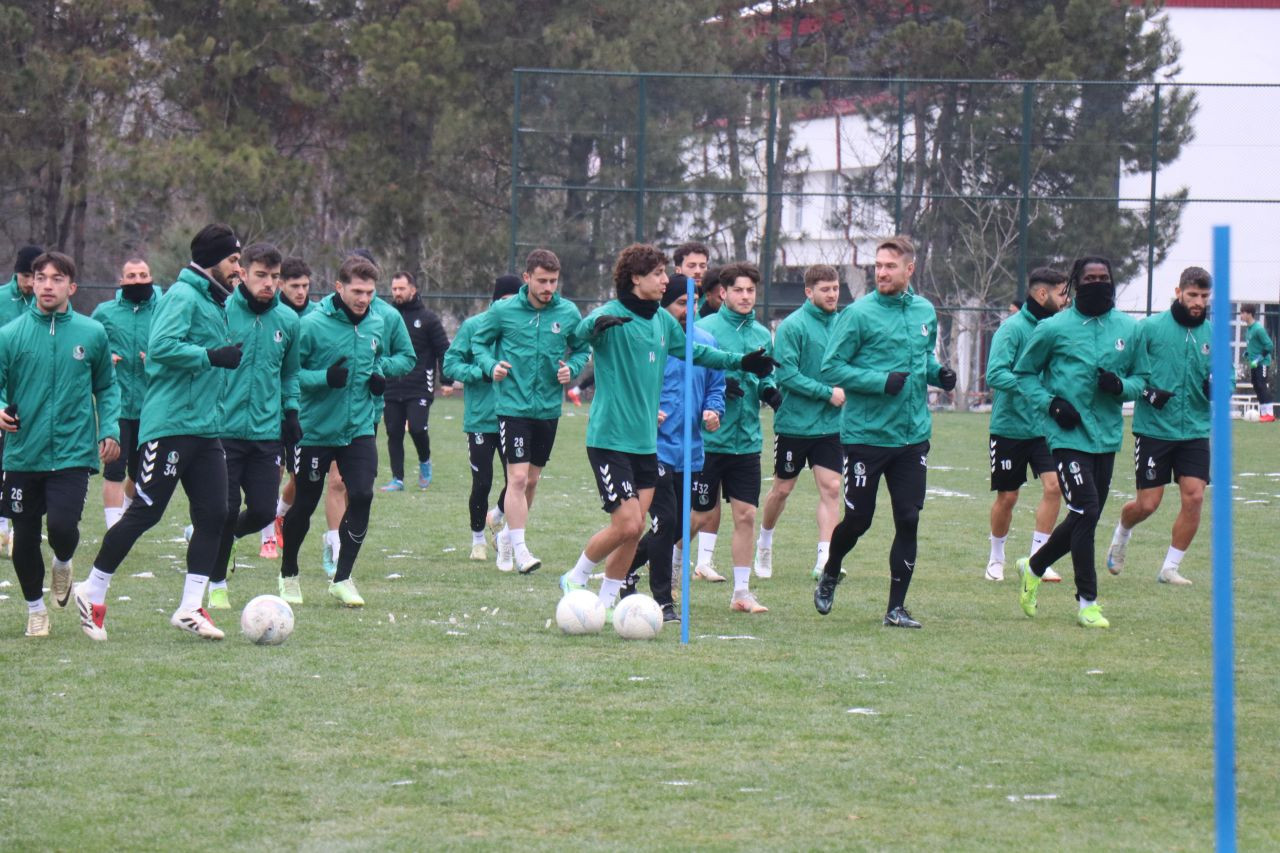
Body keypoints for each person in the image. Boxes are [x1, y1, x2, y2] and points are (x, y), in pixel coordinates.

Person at [558, 244, 772, 615]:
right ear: (636, 279)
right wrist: (592, 325)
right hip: (610, 437)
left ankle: (607, 603)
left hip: (646, 442)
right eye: (658, 274)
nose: (665, 280)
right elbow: (575, 336)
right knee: (626, 523)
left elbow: (698, 353)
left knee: (636, 524)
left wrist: (742, 362)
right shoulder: (612, 313)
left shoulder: (662, 320)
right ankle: (576, 576)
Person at [73, 223, 245, 641]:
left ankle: (190, 607)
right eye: (233, 260)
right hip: (170, 426)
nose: (238, 269)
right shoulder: (183, 296)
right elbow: (161, 349)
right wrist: (211, 355)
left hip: (205, 428)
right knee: (146, 512)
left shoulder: (215, 300)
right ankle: (91, 589)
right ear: (211, 261)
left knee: (216, 515)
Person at [813, 236, 956, 628]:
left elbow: (923, 357)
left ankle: (896, 608)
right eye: (878, 265)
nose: (881, 272)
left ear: (910, 269)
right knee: (859, 521)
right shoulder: (859, 314)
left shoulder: (925, 310)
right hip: (866, 436)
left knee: (908, 518)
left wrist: (937, 373)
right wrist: (879, 381)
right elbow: (831, 368)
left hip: (912, 437)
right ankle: (831, 570)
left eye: (889, 266)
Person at [1011, 255, 1149, 630]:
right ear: (1075, 282)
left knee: (1083, 516)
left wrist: (1121, 387)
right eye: (1090, 278)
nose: (1098, 283)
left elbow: (1142, 378)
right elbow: (1023, 375)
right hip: (1068, 436)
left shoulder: (1128, 328)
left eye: (1104, 277)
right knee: (1086, 509)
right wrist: (1052, 405)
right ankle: (1088, 601)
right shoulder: (1054, 328)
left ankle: (1035, 565)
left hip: (1106, 436)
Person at [0, 252, 119, 637]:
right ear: (32, 283)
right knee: (24, 536)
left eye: (56, 278)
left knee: (64, 527)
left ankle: (64, 561)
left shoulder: (92, 333)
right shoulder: (10, 335)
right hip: (23, 453)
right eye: (41, 278)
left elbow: (107, 386)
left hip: (72, 451)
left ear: (72, 286)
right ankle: (36, 609)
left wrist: (110, 428)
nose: (47, 285)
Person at [280, 255, 410, 606]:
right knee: (304, 504)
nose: (363, 299)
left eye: (369, 292)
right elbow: (289, 374)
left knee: (363, 496)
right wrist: (324, 378)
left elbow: (401, 358)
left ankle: (343, 577)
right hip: (315, 431)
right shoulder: (311, 324)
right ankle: (288, 573)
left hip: (359, 429)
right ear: (339, 287)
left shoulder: (378, 323)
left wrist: (381, 372)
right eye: (357, 291)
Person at [471, 249, 591, 574]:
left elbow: (581, 348)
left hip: (549, 408)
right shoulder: (503, 310)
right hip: (513, 406)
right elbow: (478, 344)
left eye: (553, 281)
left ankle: (508, 537)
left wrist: (573, 368)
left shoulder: (567, 312)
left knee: (533, 480)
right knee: (519, 477)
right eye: (542, 281)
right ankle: (522, 550)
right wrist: (491, 365)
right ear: (527, 278)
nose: (548, 287)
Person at [620, 273, 725, 622]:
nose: (688, 309)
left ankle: (626, 567)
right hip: (656, 448)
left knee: (682, 524)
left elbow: (716, 387)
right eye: (681, 303)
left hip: (692, 450)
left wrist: (713, 410)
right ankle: (664, 601)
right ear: (666, 305)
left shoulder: (706, 342)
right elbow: (630, 385)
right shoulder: (653, 340)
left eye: (692, 303)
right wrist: (648, 412)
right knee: (665, 520)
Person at [206, 242, 300, 609]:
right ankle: (216, 585)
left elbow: (290, 374)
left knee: (263, 511)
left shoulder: (289, 321)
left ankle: (225, 541)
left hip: (266, 434)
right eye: (261, 275)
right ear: (242, 273)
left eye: (275, 277)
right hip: (223, 431)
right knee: (224, 511)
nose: (268, 283)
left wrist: (290, 412)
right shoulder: (222, 312)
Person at [1105, 266, 1212, 586]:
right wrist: (1147, 392)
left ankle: (1170, 567)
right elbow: (1123, 371)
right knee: (1148, 504)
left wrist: (1220, 385)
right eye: (1192, 295)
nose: (1198, 302)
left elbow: (1228, 374)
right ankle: (1123, 531)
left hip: (1194, 429)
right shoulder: (1149, 328)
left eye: (1204, 297)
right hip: (1154, 429)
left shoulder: (1212, 334)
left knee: (1194, 497)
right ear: (1178, 292)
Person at [690, 263, 779, 613]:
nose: (745, 297)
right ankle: (668, 566)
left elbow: (764, 375)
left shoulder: (761, 333)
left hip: (746, 442)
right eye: (738, 290)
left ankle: (741, 592)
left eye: (750, 291)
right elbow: (692, 376)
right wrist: (718, 386)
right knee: (696, 517)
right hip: (709, 441)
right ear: (723, 293)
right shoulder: (703, 329)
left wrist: (770, 391)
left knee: (745, 516)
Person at [754, 264, 845, 581]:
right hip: (794, 424)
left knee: (832, 489)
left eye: (835, 288)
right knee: (782, 490)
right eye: (826, 289)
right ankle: (764, 540)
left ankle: (825, 560)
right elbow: (787, 376)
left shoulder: (844, 324)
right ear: (809, 292)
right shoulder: (793, 327)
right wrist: (826, 393)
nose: (832, 294)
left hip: (831, 425)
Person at [983, 267, 1070, 582]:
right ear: (1042, 294)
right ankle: (996, 557)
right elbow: (995, 374)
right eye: (1062, 293)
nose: (1067, 300)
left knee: (1055, 486)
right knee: (1008, 497)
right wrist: (1031, 388)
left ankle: (1037, 559)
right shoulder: (1012, 329)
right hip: (1010, 428)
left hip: (1046, 429)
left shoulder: (1059, 329)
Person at [442, 275, 520, 561]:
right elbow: (451, 363)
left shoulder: (523, 327)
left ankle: (498, 514)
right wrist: (481, 372)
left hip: (515, 415)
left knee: (518, 480)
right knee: (482, 481)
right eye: (505, 302)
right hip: (481, 419)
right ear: (495, 302)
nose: (511, 308)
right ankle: (478, 540)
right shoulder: (475, 326)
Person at [92, 257, 159, 530]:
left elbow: (177, 346)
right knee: (114, 469)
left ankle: (127, 519)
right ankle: (114, 529)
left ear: (151, 277)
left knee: (142, 474)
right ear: (121, 281)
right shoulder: (104, 312)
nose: (138, 280)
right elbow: (89, 347)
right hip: (116, 404)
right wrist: (107, 357)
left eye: (143, 275)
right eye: (131, 276)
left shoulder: (163, 311)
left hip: (152, 405)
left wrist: (155, 359)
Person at [380, 271, 451, 491]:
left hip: (420, 385)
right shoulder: (387, 317)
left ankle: (425, 461)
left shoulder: (428, 319)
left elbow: (443, 350)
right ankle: (397, 479)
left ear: (413, 289)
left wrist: (447, 379)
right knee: (394, 431)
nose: (397, 293)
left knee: (418, 428)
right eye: (394, 289)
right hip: (391, 385)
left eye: (402, 288)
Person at [267, 256, 314, 556]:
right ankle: (266, 537)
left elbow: (299, 370)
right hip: (269, 412)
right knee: (273, 474)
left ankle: (279, 516)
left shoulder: (314, 317)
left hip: (303, 412)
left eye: (305, 286)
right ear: (281, 284)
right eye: (294, 286)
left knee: (299, 478)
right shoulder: (273, 313)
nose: (300, 291)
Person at [0, 244, 42, 555]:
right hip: (3, 390)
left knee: (19, 464)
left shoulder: (45, 303)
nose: (31, 282)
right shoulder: (3, 299)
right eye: (26, 275)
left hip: (33, 394)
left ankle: (14, 524)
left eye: (35, 275)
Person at [1239, 305, 1274, 421]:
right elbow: (1253, 345)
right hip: (1254, 364)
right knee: (1256, 385)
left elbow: (1269, 345)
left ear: (1249, 314)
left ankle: (1269, 414)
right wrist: (1247, 354)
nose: (1241, 315)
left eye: (1243, 313)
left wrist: (1258, 359)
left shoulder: (1258, 328)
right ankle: (1264, 414)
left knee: (1261, 384)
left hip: (1262, 362)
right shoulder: (1248, 329)